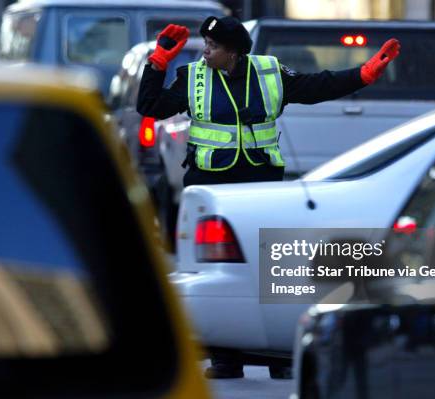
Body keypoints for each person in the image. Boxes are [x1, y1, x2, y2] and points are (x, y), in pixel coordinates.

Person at [137, 16, 400, 379]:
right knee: (221, 272)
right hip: (212, 189)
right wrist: (158, 62)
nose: (205, 51)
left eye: (212, 45)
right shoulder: (193, 77)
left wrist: (364, 74)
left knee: (270, 270)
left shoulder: (269, 72)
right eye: (206, 44)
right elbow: (150, 107)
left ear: (233, 52)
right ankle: (226, 357)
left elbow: (315, 87)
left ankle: (278, 355)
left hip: (260, 184)